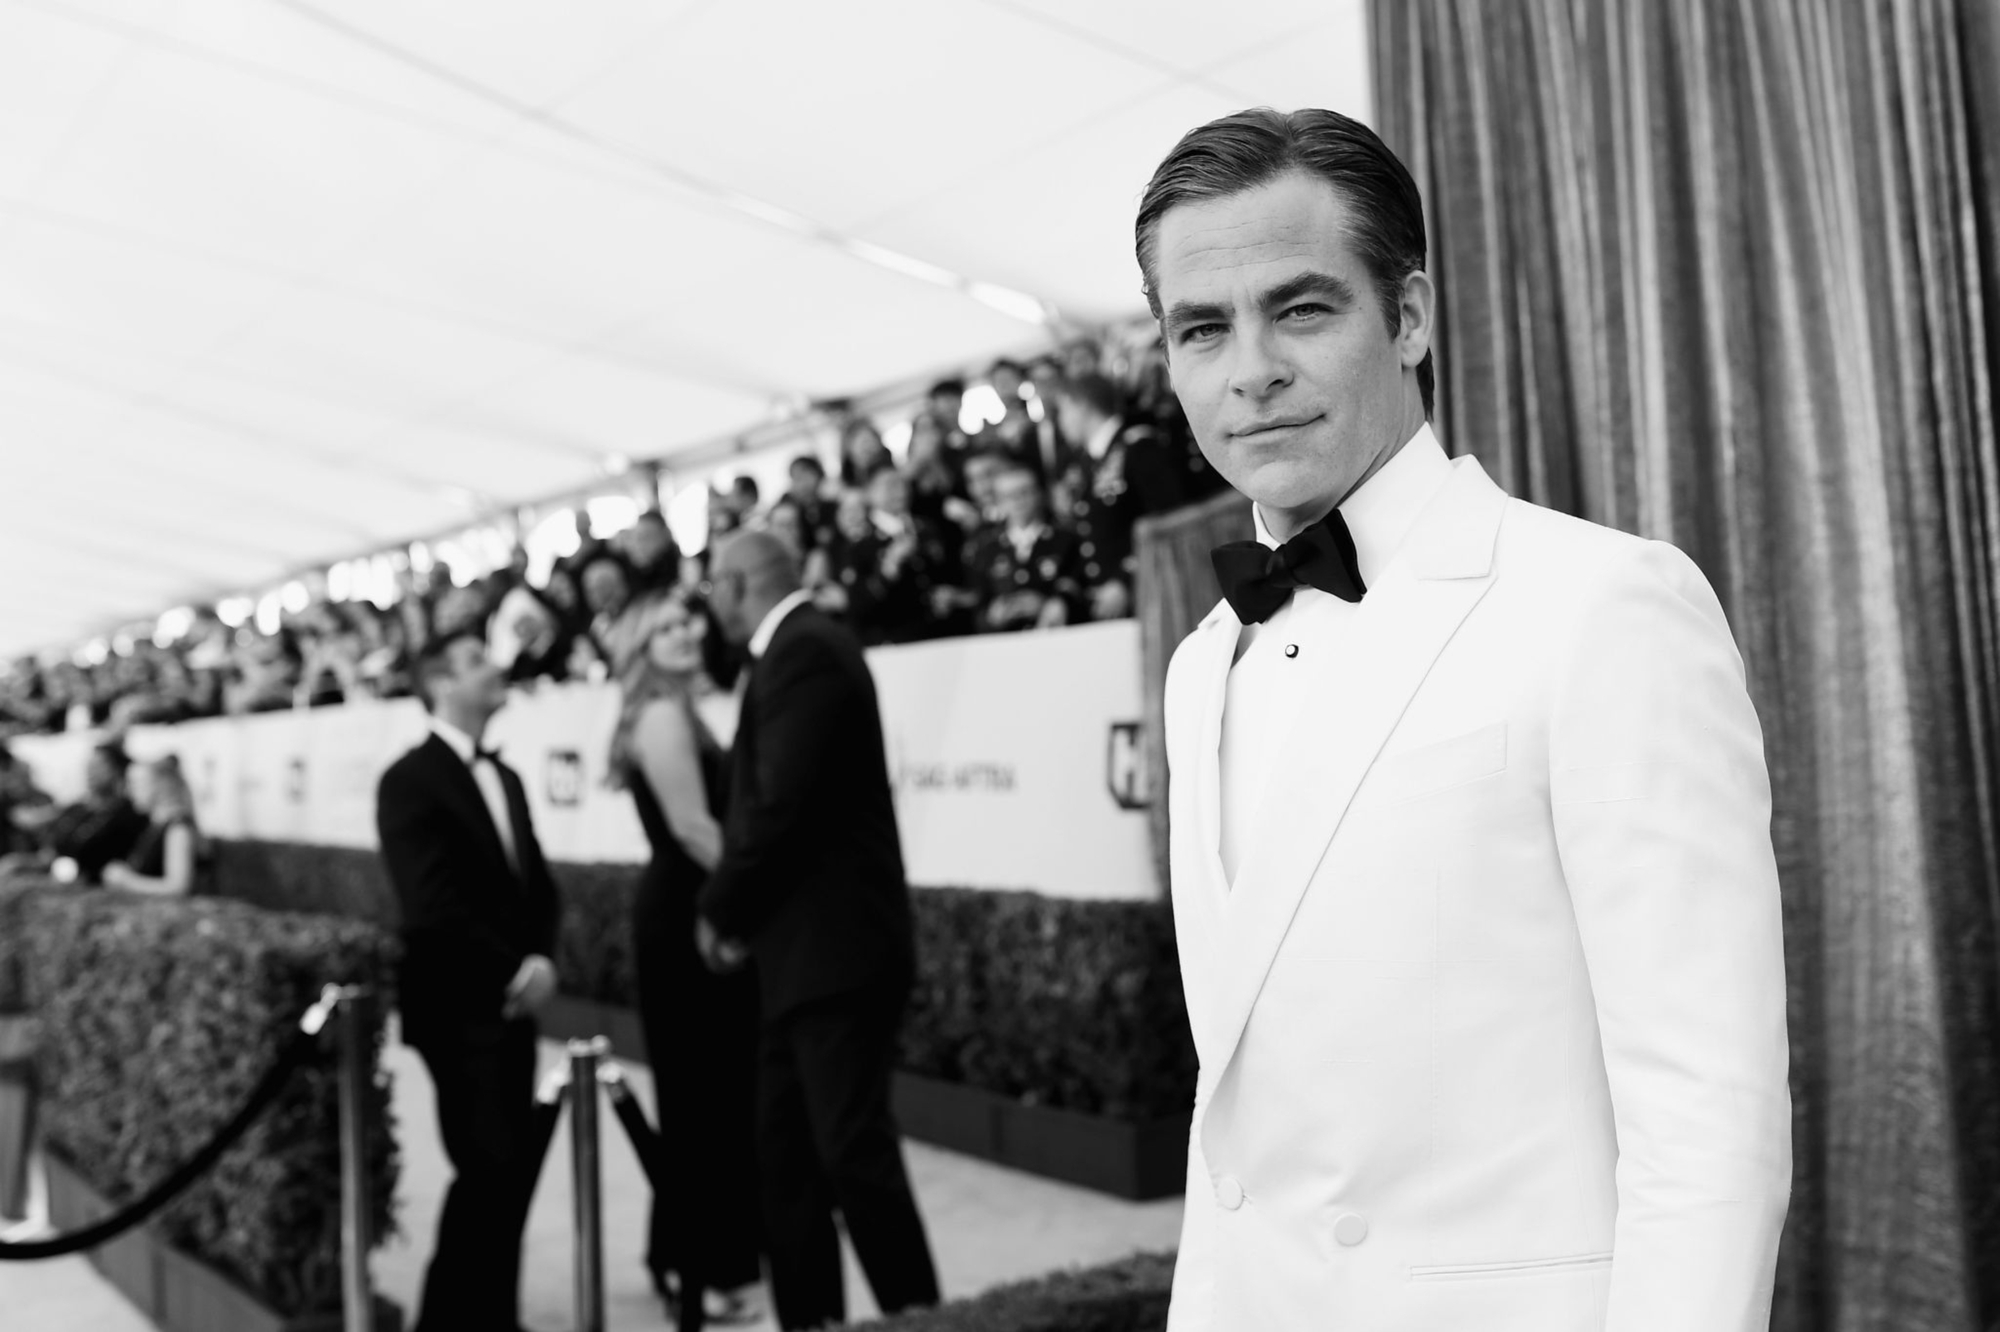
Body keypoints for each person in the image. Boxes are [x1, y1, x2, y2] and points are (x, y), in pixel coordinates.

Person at [1144, 109, 1791, 1330]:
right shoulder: (1199, 664)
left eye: (1299, 309)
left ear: (1408, 316)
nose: (1249, 371)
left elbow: (1707, 1115)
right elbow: (1234, 1129)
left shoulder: (1602, 604)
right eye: (1201, 328)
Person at [695, 532, 940, 1331]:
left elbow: (781, 807)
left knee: (852, 1157)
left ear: (739, 584)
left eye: (712, 585)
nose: (707, 603)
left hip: (835, 957)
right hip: (802, 957)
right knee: (789, 1161)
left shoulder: (804, 650)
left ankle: (922, 1321)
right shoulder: (797, 649)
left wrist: (720, 907)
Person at [375, 631, 562, 1332]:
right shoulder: (408, 779)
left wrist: (540, 959)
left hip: (515, 1004)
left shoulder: (506, 777)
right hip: (457, 1008)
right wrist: (513, 969)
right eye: (478, 660)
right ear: (441, 683)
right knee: (490, 1167)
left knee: (508, 1172)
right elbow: (432, 907)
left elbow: (535, 883)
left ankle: (494, 1319)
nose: (497, 667)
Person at [608, 590, 766, 1327]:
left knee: (707, 1095)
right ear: (639, 648)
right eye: (663, 628)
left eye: (686, 621)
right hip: (688, 914)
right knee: (702, 1098)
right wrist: (747, 902)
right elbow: (695, 828)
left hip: (688, 906)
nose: (683, 633)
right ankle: (701, 1272)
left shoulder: (676, 710)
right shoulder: (663, 716)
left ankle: (687, 1260)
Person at [1053, 371, 1189, 621]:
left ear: (1081, 406)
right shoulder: (1087, 463)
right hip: (1108, 605)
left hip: (1153, 595)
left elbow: (1169, 521)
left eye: (1062, 411)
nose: (1060, 423)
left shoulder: (1139, 447)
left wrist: (1126, 579)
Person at [0, 740, 148, 884]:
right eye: (89, 766)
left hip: (90, 885)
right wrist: (18, 863)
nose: (91, 772)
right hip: (54, 877)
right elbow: (48, 852)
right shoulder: (77, 808)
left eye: (98, 766)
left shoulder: (128, 814)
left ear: (117, 770)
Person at [102, 755, 205, 896]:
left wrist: (127, 881)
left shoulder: (178, 828)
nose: (128, 792)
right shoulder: (154, 825)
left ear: (160, 785)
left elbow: (178, 888)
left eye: (134, 784)